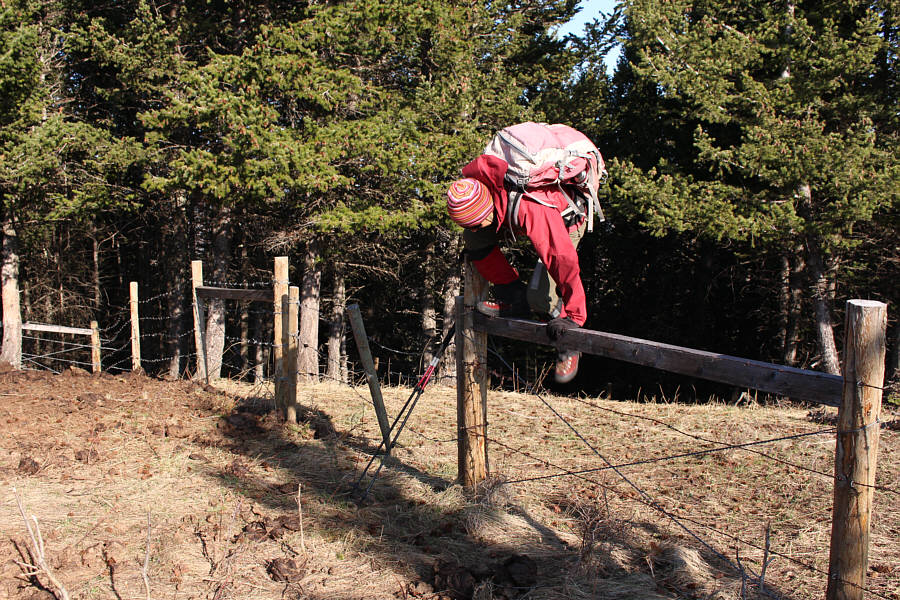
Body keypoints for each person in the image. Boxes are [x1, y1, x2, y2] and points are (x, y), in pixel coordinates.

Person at [446, 152, 591, 384]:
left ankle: (569, 343)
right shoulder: (486, 190)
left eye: (475, 222)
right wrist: (475, 228)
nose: (472, 228)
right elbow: (477, 231)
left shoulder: (531, 207)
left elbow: (562, 259)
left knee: (540, 296)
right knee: (475, 242)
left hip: (566, 220)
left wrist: (575, 317)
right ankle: (515, 300)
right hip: (517, 214)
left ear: (488, 208)